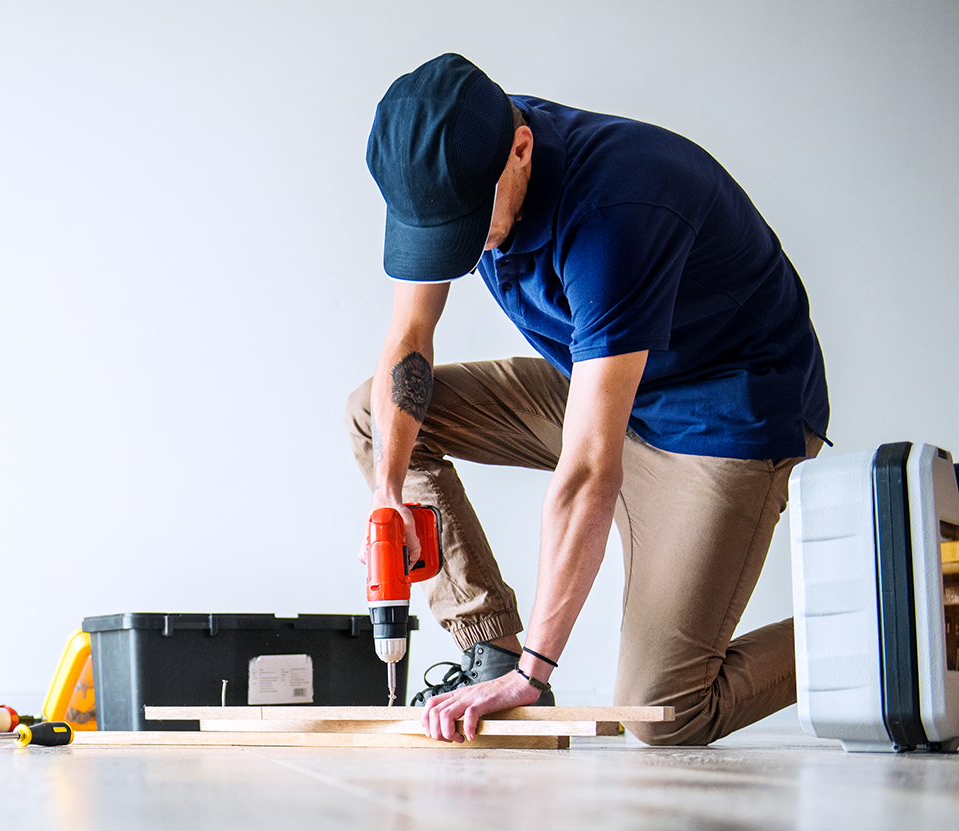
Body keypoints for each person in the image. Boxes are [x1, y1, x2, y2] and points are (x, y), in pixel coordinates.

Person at [347, 52, 830, 746]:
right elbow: (409, 339)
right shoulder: (455, 153)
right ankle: (492, 649)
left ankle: (887, 617)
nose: (461, 250)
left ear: (521, 151)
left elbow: (587, 471)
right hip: (600, 381)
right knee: (377, 415)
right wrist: (389, 495)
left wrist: (537, 677)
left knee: (665, 712)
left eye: (465, 230)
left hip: (722, 418)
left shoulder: (618, 211)